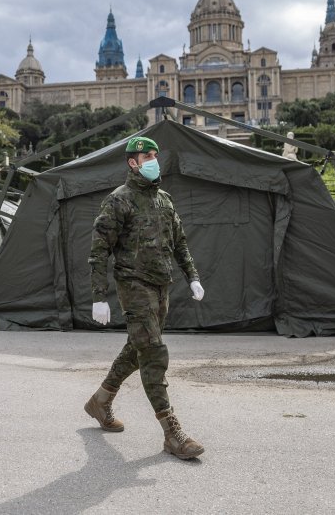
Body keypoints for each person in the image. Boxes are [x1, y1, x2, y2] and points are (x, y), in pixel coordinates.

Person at [84, 136, 206, 460]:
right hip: (133, 284)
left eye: (155, 154)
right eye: (147, 156)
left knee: (137, 348)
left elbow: (179, 242)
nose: (154, 160)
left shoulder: (165, 200)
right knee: (153, 352)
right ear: (132, 163)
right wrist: (99, 296)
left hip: (162, 285)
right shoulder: (118, 201)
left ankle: (101, 399)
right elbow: (99, 252)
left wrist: (192, 276)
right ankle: (172, 433)